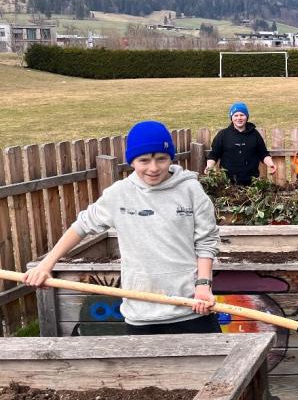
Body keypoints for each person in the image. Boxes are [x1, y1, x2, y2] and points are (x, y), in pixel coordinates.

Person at [25, 121, 222, 334]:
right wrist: (46, 265)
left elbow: (206, 241)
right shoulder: (119, 194)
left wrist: (203, 285)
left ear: (170, 158)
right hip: (141, 314)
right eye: (144, 160)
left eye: (162, 159)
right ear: (132, 161)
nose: (153, 168)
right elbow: (81, 227)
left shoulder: (190, 189)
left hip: (192, 308)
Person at [205, 102, 277, 185]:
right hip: (227, 184)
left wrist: (270, 164)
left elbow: (263, 153)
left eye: (242, 115)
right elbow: (214, 154)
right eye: (236, 115)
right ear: (231, 118)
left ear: (247, 117)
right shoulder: (223, 135)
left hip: (251, 183)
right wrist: (209, 167)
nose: (239, 118)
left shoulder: (254, 134)